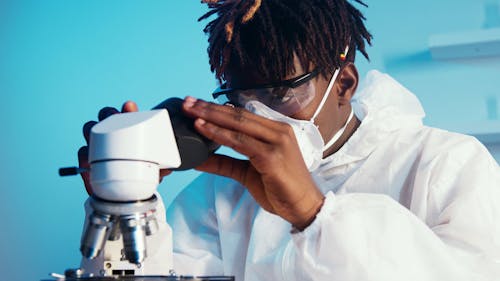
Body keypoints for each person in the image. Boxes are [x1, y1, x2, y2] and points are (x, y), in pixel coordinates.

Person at [78, 0, 500, 280]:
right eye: (244, 98)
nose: (262, 114)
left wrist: (314, 213)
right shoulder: (216, 194)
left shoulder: (449, 166)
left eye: (283, 93)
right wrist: (121, 206)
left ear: (344, 84)